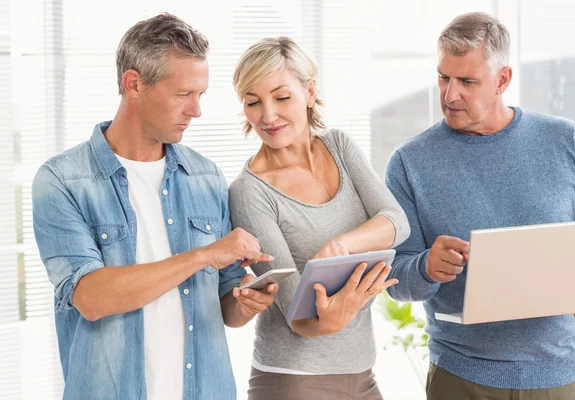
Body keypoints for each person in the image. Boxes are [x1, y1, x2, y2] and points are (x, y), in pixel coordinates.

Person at [32, 13, 278, 400]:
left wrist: (247, 302)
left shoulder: (206, 177)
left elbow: (227, 306)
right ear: (134, 84)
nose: (196, 110)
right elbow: (91, 298)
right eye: (183, 94)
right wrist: (203, 255)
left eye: (200, 95)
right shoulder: (63, 181)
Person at [385, 11, 575, 400]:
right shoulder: (409, 162)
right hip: (459, 376)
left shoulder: (567, 142)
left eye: (467, 81)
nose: (450, 94)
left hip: (559, 376)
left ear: (502, 80)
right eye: (443, 77)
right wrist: (424, 266)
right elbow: (394, 278)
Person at [228, 37, 411, 400]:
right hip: (293, 380)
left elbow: (396, 222)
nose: (267, 115)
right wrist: (340, 310)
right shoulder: (250, 192)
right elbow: (300, 317)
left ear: (310, 92)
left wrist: (341, 245)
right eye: (253, 102)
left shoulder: (340, 146)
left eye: (281, 97)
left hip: (362, 372)